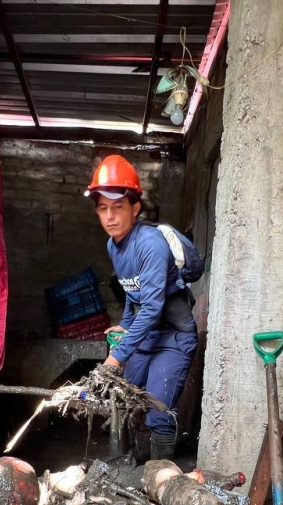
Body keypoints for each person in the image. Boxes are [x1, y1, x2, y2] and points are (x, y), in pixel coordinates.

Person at [85, 154, 198, 461]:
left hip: (173, 338)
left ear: (134, 208)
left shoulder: (149, 244)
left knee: (158, 409)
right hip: (147, 336)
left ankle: (160, 476)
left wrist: (116, 357)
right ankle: (133, 465)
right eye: (103, 209)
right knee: (128, 398)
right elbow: (131, 291)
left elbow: (151, 308)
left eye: (118, 207)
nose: (110, 216)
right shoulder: (113, 245)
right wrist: (124, 322)